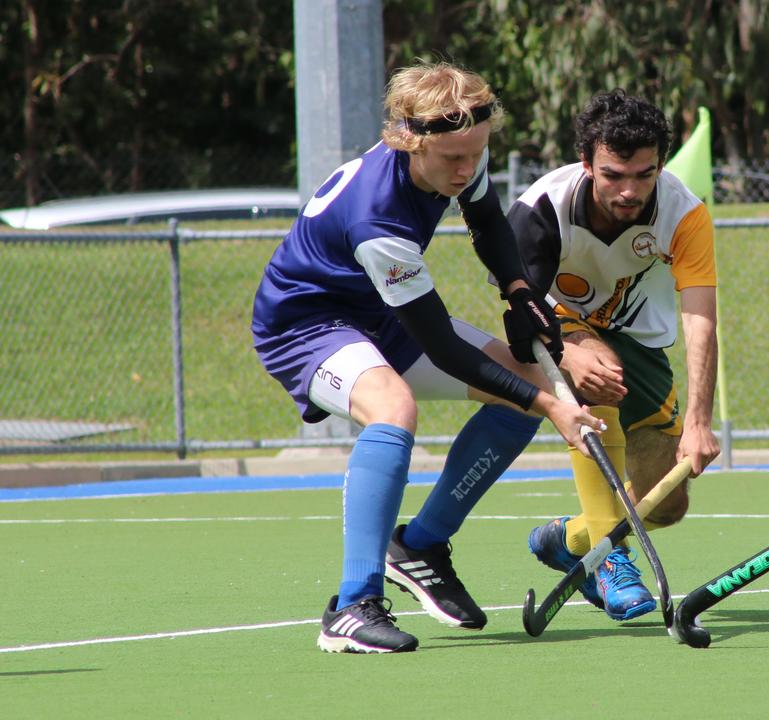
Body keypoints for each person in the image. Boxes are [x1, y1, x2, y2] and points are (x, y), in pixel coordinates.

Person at [251, 61, 601, 654]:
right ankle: (353, 605)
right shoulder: (377, 218)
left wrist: (518, 290)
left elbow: (487, 219)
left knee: (520, 380)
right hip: (305, 324)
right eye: (453, 161)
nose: (466, 170)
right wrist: (553, 404)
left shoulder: (460, 141)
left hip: (377, 313)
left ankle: (421, 544)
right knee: (394, 405)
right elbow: (441, 343)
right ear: (409, 140)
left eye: (475, 155)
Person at [509, 90, 720, 621]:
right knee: (599, 372)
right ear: (587, 164)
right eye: (613, 175)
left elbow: (700, 318)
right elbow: (518, 310)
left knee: (667, 502)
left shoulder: (685, 213)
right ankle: (612, 561)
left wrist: (699, 421)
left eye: (644, 175)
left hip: (642, 339)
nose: (630, 191)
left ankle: (574, 539)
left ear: (661, 166)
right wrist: (567, 347)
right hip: (558, 321)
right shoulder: (542, 207)